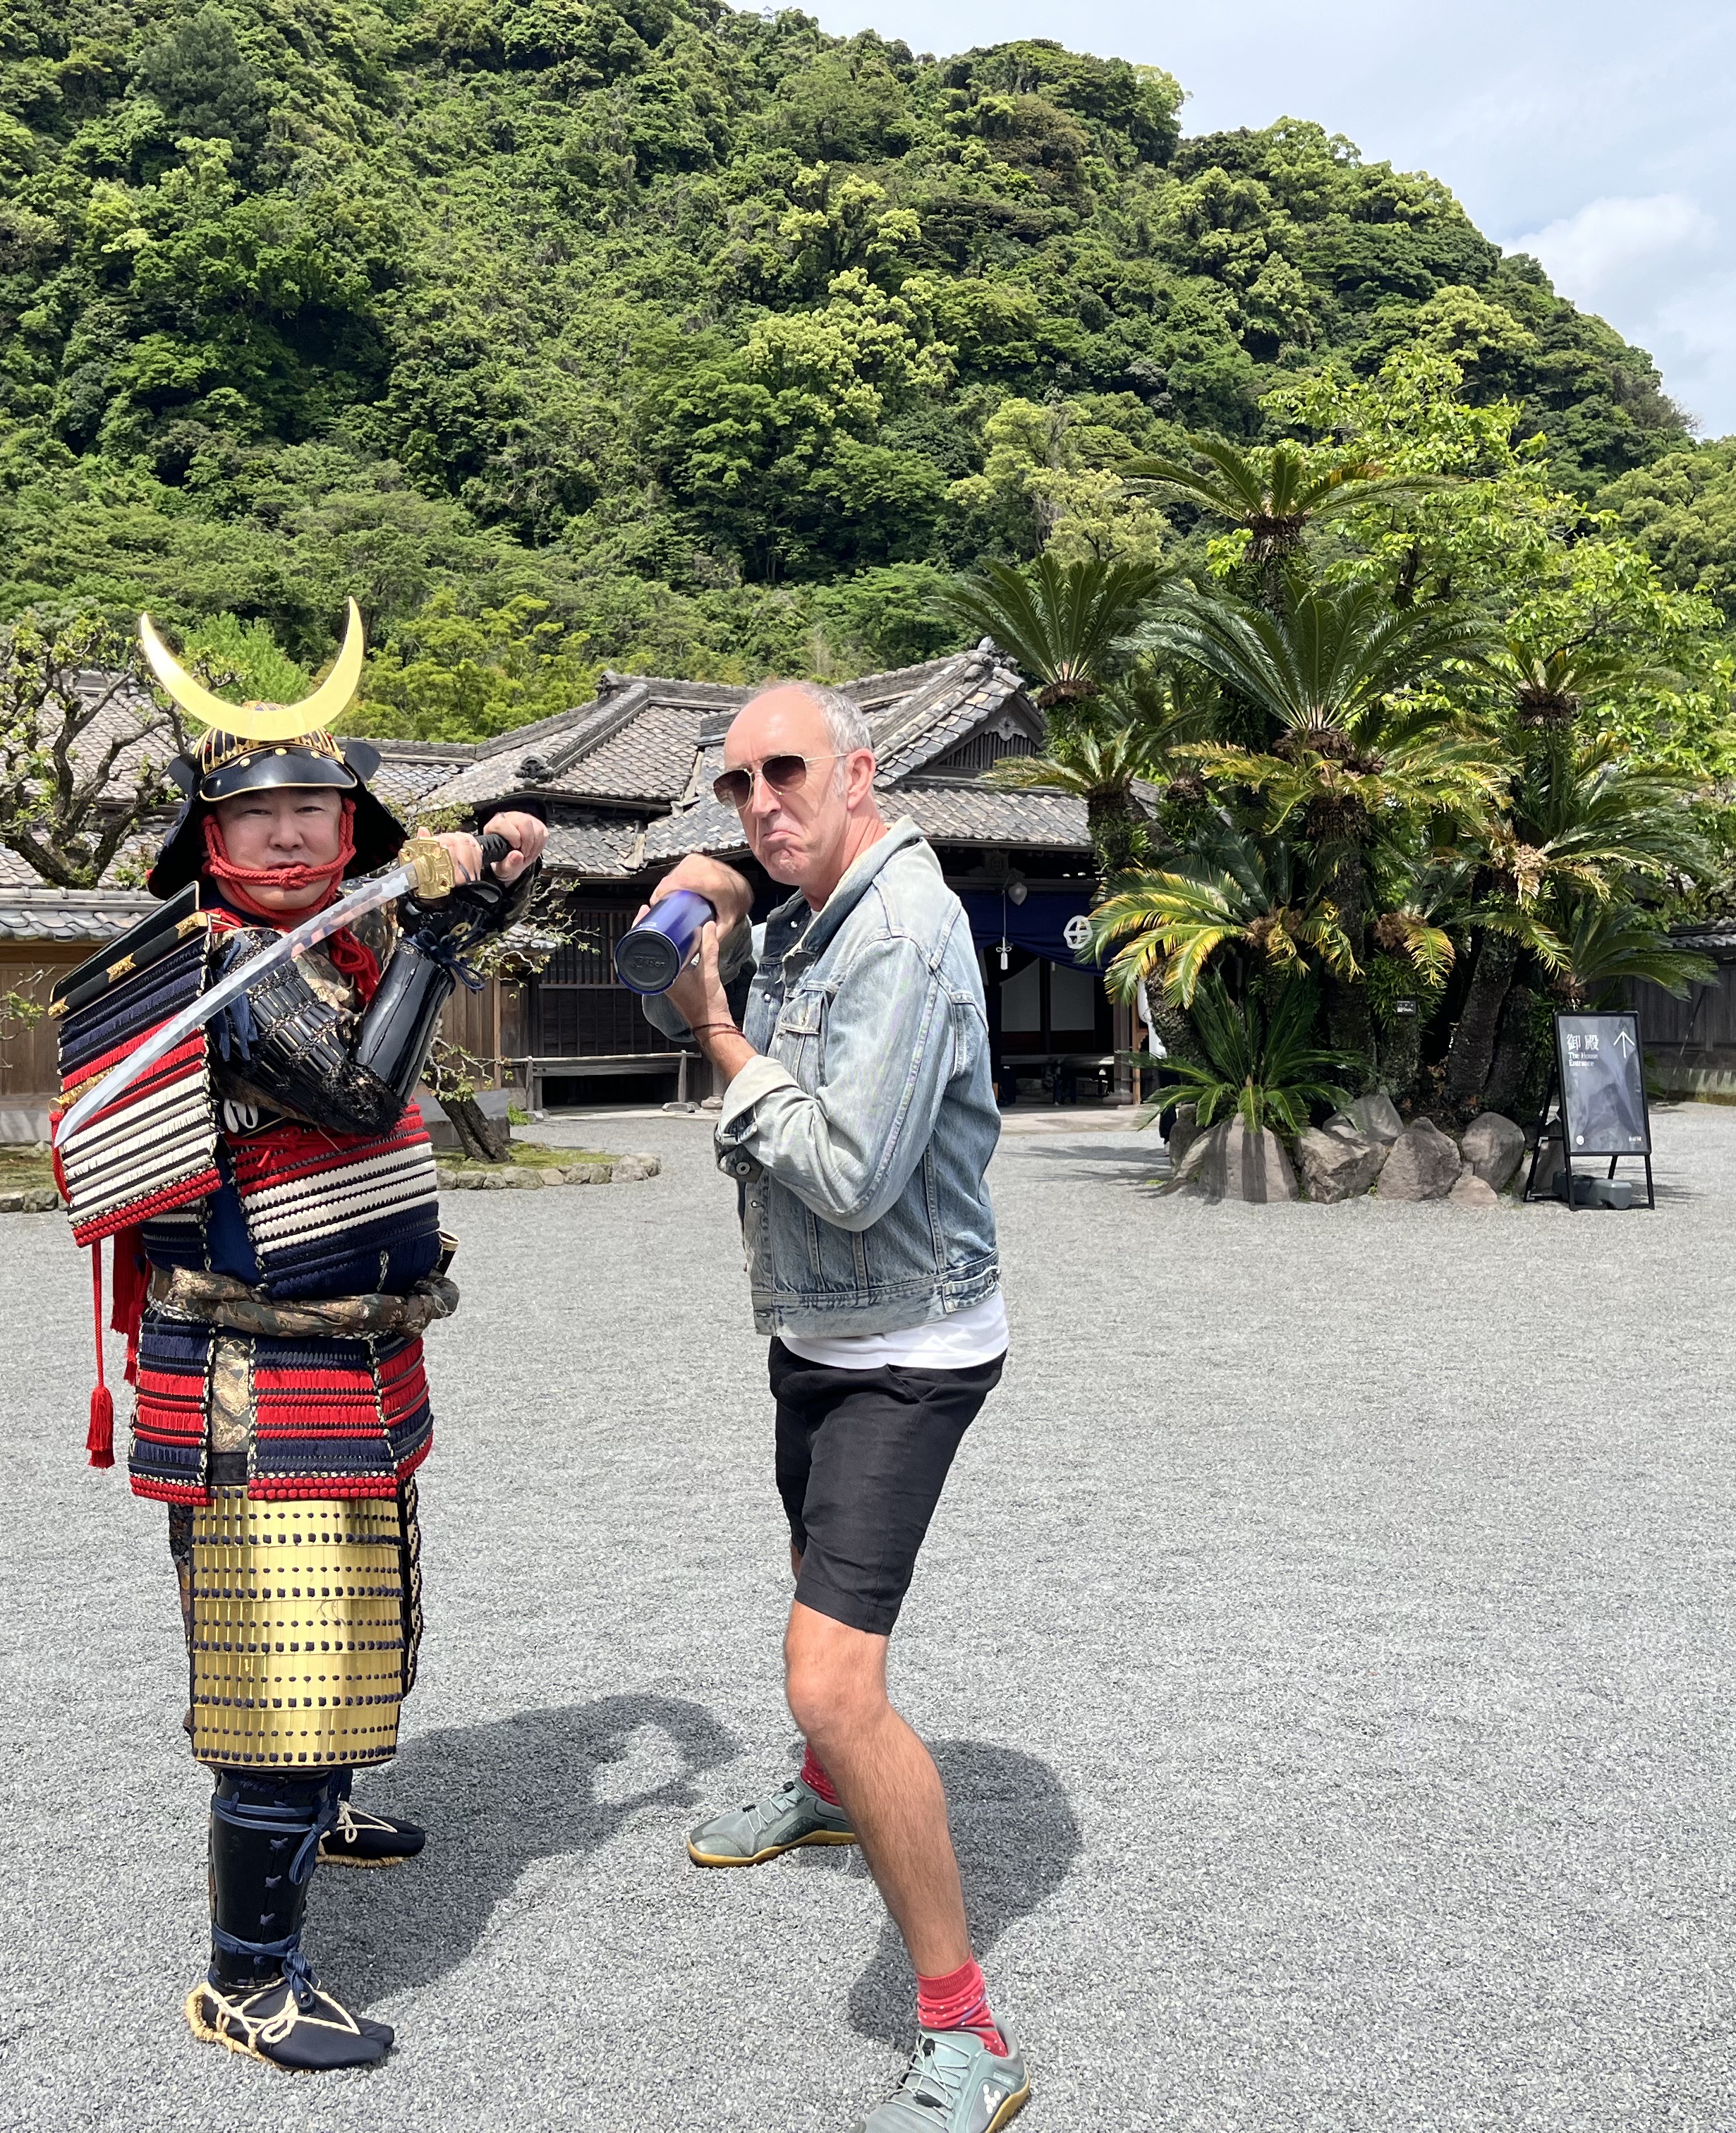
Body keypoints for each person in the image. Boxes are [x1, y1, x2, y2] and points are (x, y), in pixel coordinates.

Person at [50, 611, 545, 2072]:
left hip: (360, 1348)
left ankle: (325, 1816)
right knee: (282, 1659)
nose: (283, 835)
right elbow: (350, 1089)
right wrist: (445, 937)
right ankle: (247, 1979)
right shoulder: (230, 970)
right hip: (254, 1363)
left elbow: (429, 963)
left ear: (353, 820)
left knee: (364, 1596)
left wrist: (500, 872)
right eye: (254, 811)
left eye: (311, 808)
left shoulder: (344, 938)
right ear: (207, 836)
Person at [641, 681, 1028, 2133]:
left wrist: (719, 1033)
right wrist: (710, 871)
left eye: (785, 776)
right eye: (736, 786)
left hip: (907, 1346)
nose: (760, 806)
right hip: (821, 1324)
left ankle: (966, 2033)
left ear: (862, 773)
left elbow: (855, 1171)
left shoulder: (909, 932)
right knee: (810, 1563)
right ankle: (821, 1789)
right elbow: (750, 860)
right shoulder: (819, 882)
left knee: (834, 1678)